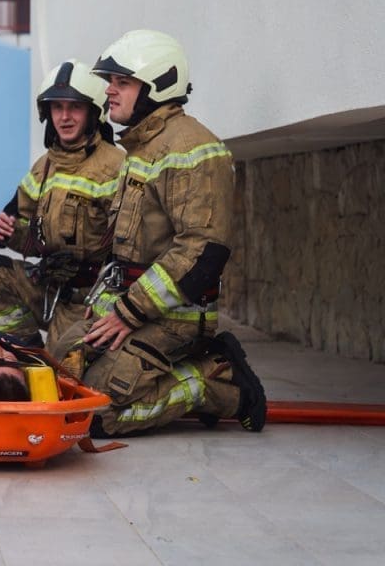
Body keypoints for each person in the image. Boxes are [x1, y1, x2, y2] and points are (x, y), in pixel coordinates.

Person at [51, 29, 266, 436]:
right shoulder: (142, 147)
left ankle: (217, 382)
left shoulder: (190, 149)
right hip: (129, 305)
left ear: (157, 86)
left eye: (122, 82)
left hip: (175, 319)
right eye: (111, 81)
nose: (109, 91)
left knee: (93, 413)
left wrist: (128, 313)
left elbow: (201, 252)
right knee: (59, 367)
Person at [0, 59, 124, 352]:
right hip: (50, 289)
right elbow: (21, 226)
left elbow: (133, 249)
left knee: (65, 371)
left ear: (92, 113)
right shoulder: (44, 167)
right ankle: (26, 351)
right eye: (57, 107)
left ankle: (52, 356)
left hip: (93, 300)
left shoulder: (117, 166)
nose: (65, 117)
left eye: (74, 107)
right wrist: (3, 229)